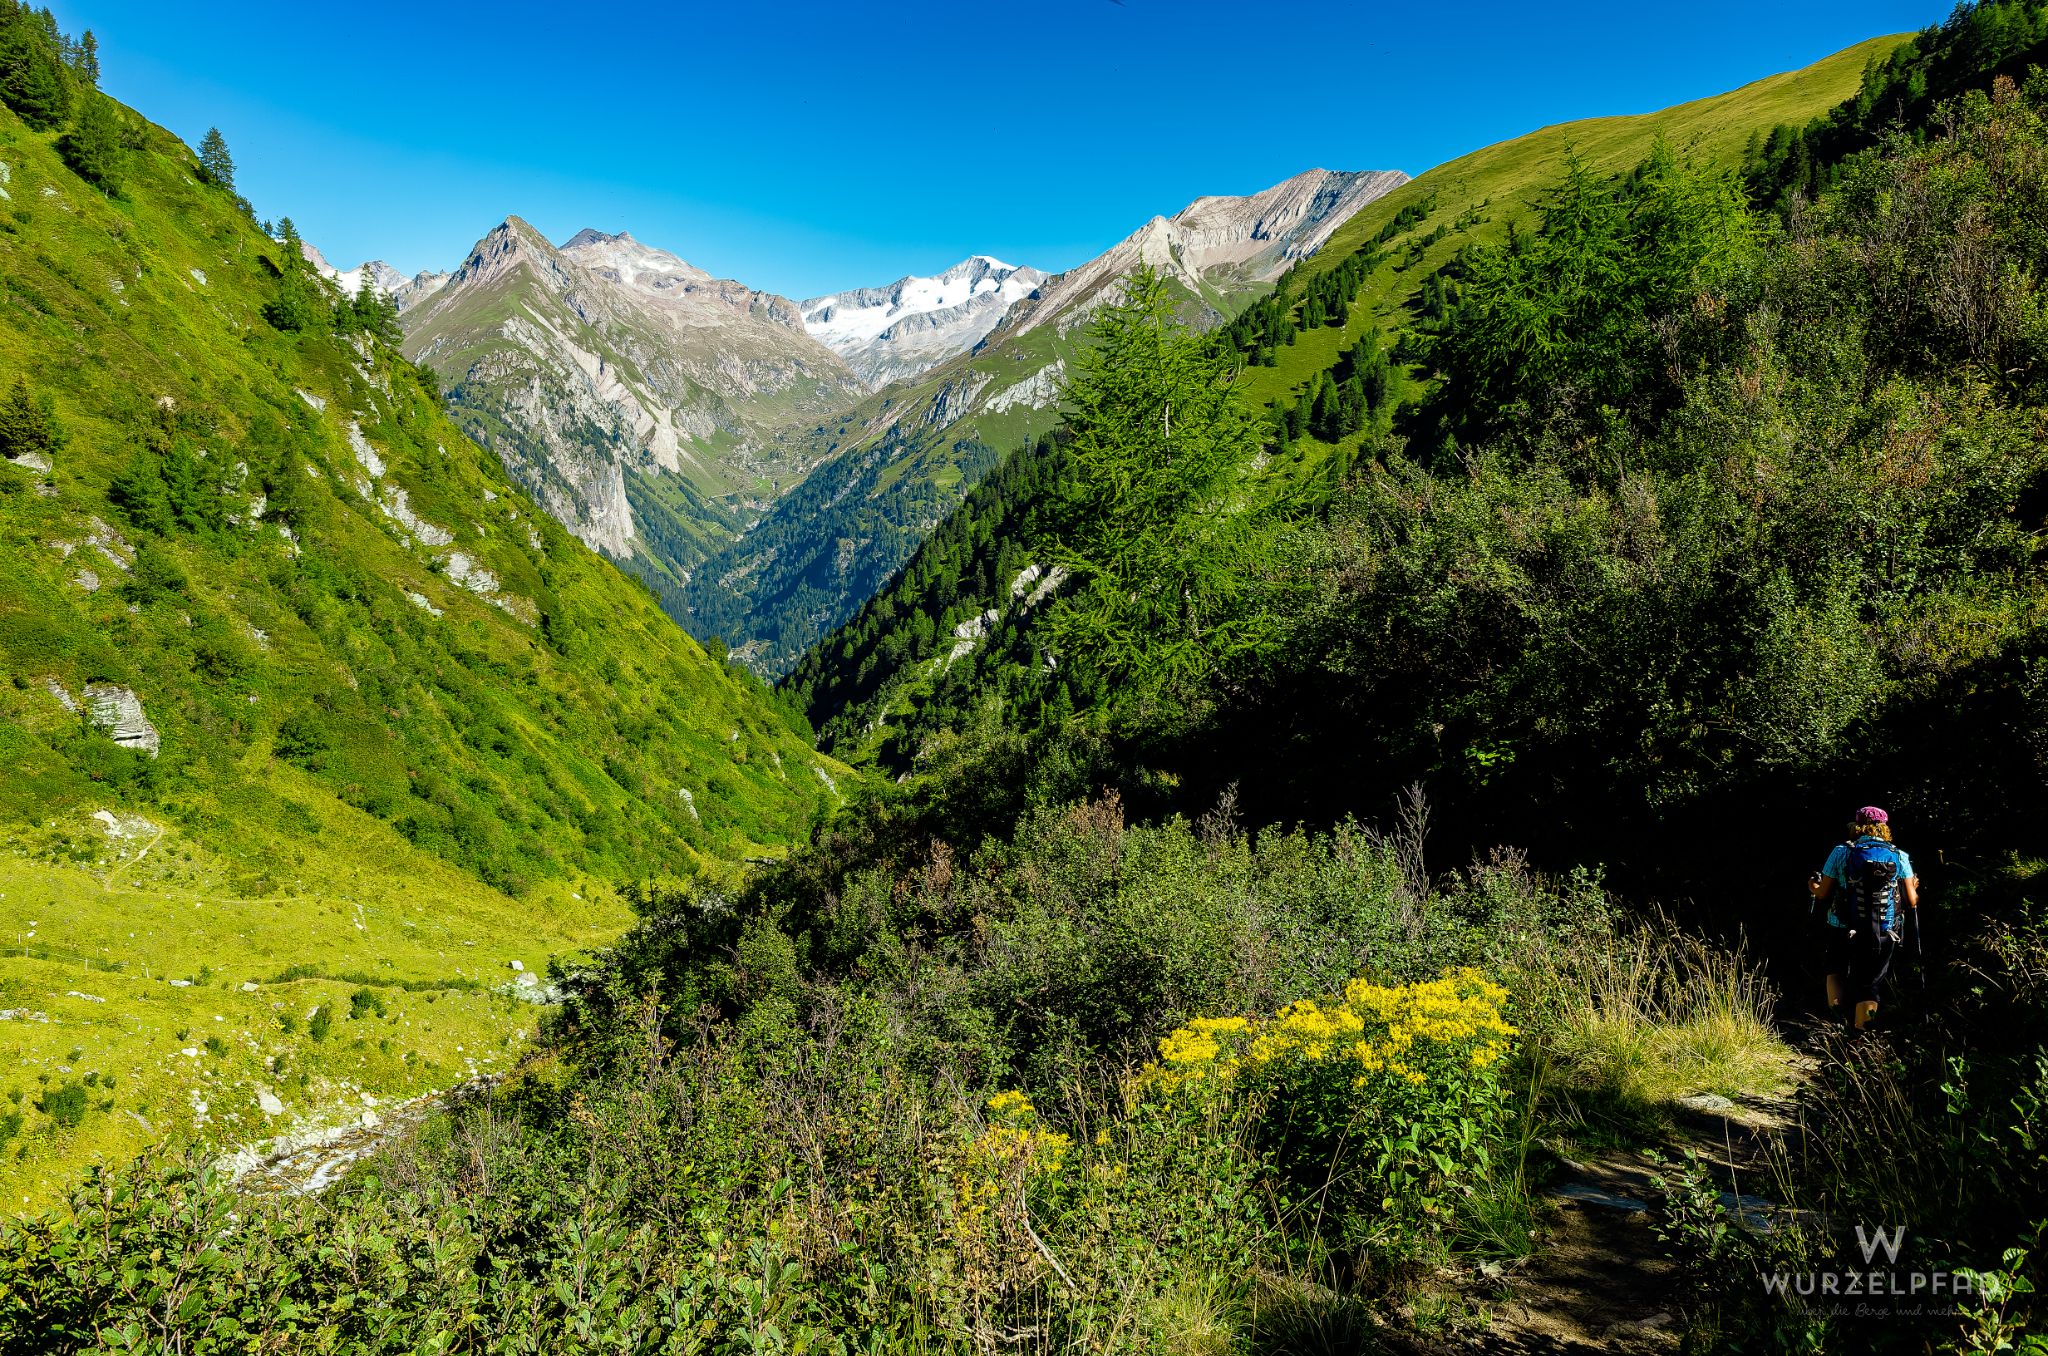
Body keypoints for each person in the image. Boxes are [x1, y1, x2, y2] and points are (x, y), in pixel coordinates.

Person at [1807, 806, 1920, 1030]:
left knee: (1836, 971)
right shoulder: (1899, 855)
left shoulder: (1841, 851)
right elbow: (1912, 900)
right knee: (1871, 984)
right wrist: (1914, 886)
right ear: (1884, 828)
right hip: (1884, 930)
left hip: (1841, 926)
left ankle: (1837, 1025)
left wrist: (1812, 885)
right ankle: (1861, 1041)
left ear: (1856, 825)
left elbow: (1822, 893)